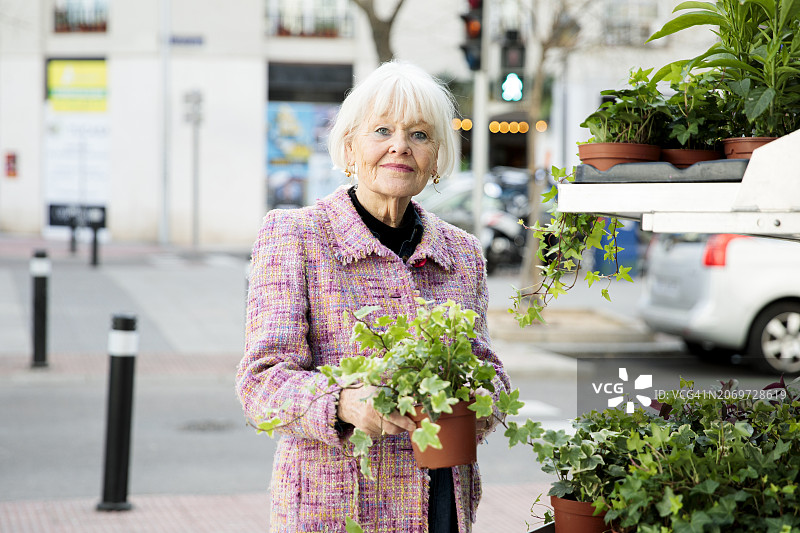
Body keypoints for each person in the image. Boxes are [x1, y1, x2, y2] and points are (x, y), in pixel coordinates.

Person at [236, 60, 511, 533]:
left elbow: (488, 367)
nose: (400, 146)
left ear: (437, 155)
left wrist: (485, 400)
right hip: (337, 509)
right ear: (349, 147)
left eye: (420, 135)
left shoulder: (462, 252)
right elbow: (261, 382)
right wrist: (341, 403)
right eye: (382, 130)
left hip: (441, 505)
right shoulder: (297, 236)